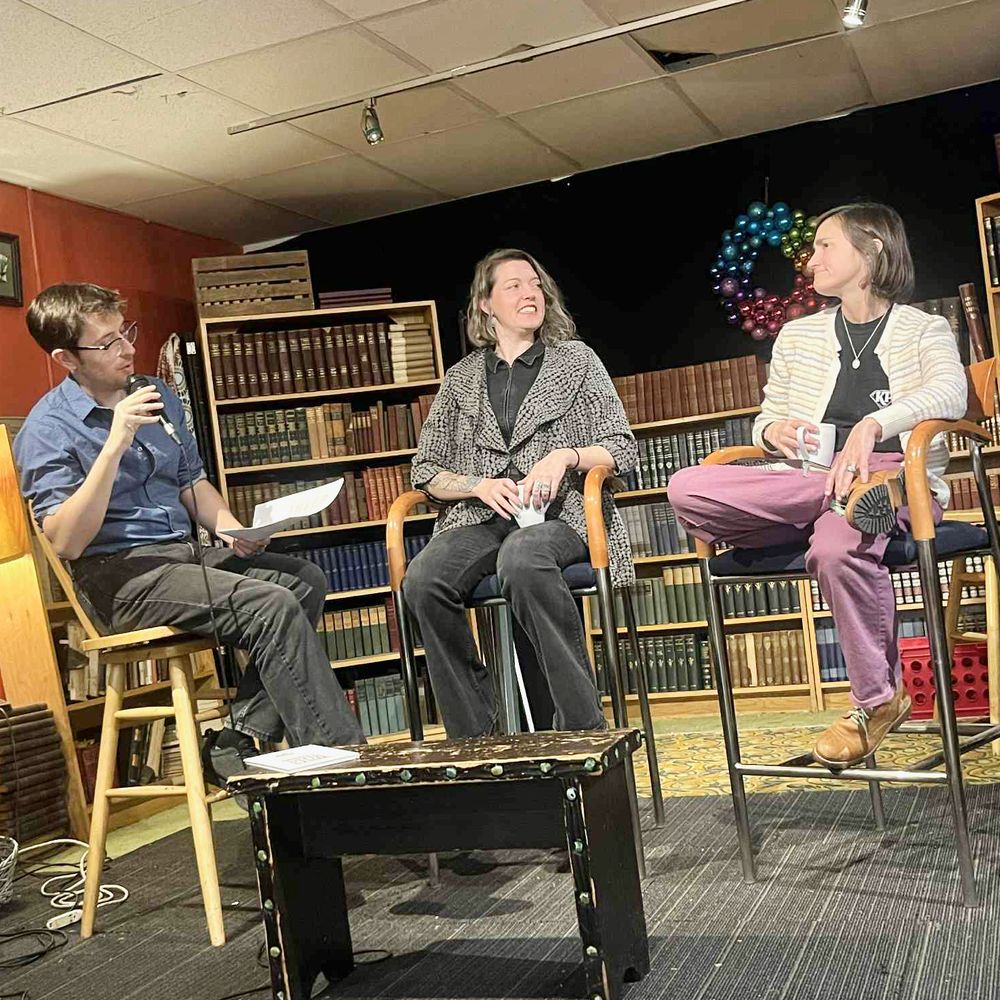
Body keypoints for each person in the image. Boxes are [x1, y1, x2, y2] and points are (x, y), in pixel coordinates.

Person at [14, 283, 364, 784]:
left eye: (126, 333)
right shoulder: (47, 429)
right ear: (66, 358)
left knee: (304, 580)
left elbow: (190, 483)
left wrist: (232, 529)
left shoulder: (155, 394)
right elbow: (67, 542)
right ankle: (344, 766)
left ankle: (236, 736)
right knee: (269, 605)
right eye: (108, 342)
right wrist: (114, 443)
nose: (127, 349)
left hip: (183, 557)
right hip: (118, 577)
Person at [668, 203, 967, 768]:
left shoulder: (925, 328)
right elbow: (767, 416)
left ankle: (876, 701)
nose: (812, 259)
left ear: (872, 250)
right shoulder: (796, 335)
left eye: (827, 245)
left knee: (834, 548)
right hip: (808, 481)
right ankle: (843, 499)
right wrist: (772, 431)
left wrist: (874, 426)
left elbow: (952, 394)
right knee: (686, 486)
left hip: (896, 476)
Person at [403, 249, 638, 738]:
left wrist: (565, 456)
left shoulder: (577, 361)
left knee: (523, 556)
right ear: (485, 304)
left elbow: (621, 447)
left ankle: (580, 728)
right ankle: (476, 738)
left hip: (562, 515)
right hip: (481, 518)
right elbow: (425, 470)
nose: (530, 293)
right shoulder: (460, 379)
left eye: (535, 284)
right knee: (422, 579)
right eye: (513, 286)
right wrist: (477, 485)